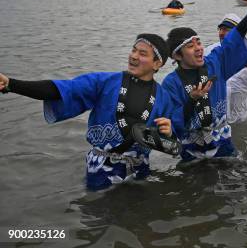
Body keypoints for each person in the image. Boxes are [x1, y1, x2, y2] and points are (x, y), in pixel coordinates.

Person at [0, 34, 180, 190]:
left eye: (142, 54)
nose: (133, 56)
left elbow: (172, 147)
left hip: (140, 169)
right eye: (133, 50)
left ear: (157, 64)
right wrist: (11, 84)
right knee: (98, 217)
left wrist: (169, 134)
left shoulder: (163, 97)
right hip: (102, 168)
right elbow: (61, 89)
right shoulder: (105, 82)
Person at [162, 0, 247, 161]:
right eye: (191, 46)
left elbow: (235, 38)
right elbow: (174, 125)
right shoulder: (171, 82)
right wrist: (192, 99)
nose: (199, 48)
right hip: (192, 147)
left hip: (222, 140)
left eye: (199, 42)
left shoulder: (215, 61)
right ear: (177, 56)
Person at [204, 13, 247, 124]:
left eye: (226, 30)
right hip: (216, 113)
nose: (221, 33)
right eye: (220, 29)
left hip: (240, 115)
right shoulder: (211, 50)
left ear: (238, 33)